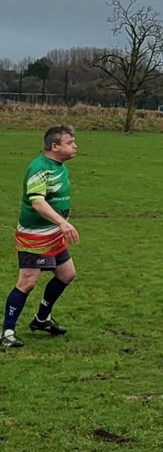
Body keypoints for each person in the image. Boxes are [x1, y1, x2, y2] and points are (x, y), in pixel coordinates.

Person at [3, 126, 80, 350]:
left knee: (67, 274)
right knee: (27, 282)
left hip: (53, 233)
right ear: (55, 147)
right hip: (34, 236)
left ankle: (41, 319)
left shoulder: (59, 166)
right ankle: (7, 333)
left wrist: (59, 225)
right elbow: (37, 202)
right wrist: (62, 222)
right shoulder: (39, 168)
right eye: (70, 142)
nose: (74, 146)